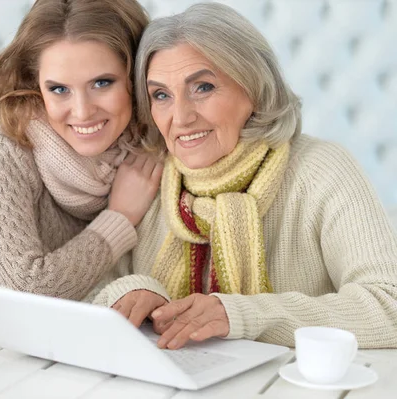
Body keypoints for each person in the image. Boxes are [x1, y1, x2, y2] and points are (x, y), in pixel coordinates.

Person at [93, 3, 397, 350]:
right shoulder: (145, 174)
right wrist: (133, 291)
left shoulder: (321, 169)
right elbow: (89, 290)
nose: (181, 117)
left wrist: (242, 315)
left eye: (203, 87)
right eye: (161, 95)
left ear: (253, 87)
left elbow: (389, 303)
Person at [0, 0, 161, 338]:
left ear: (135, 77)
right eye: (59, 89)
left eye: (102, 83)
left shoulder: (144, 143)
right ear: (34, 84)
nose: (82, 112)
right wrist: (120, 218)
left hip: (66, 339)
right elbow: (25, 291)